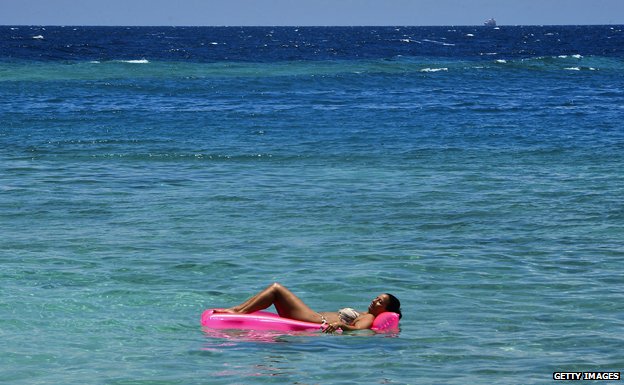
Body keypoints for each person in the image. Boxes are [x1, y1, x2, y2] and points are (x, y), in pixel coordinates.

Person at [214, 282, 402, 333]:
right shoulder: (365, 313)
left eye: (380, 302)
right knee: (275, 291)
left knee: (276, 289)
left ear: (385, 310)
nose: (374, 301)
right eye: (376, 297)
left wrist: (340, 326)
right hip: (311, 316)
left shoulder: (369, 318)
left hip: (312, 320)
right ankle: (237, 309)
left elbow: (356, 330)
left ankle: (237, 310)